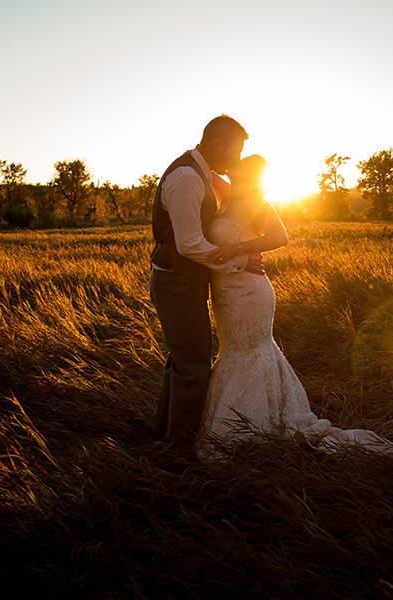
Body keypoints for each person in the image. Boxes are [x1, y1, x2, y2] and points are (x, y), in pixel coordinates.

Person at [195, 154, 393, 460]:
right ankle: (258, 419)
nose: (232, 169)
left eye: (239, 166)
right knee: (234, 349)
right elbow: (206, 167)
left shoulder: (255, 201)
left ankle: (251, 428)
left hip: (251, 292)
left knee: (248, 350)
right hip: (226, 291)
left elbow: (280, 236)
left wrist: (238, 248)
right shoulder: (228, 192)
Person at [149, 115, 263, 458]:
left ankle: (164, 435)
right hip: (177, 282)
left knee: (181, 360)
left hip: (182, 281)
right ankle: (179, 453)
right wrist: (241, 262)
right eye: (234, 152)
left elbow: (223, 188)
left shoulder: (198, 172)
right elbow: (189, 244)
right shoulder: (186, 178)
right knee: (194, 365)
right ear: (215, 146)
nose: (235, 161)